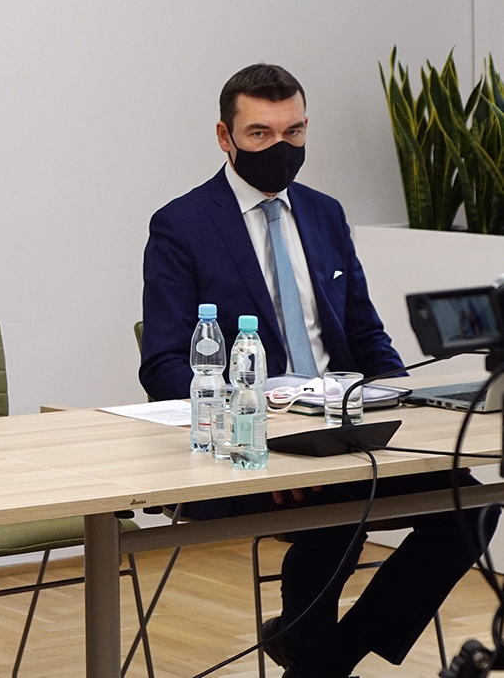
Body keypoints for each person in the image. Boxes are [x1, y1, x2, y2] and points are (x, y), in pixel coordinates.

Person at [140, 64, 497, 678]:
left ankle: (324, 659)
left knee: (473, 503)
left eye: (294, 132)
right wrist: (256, 433)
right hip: (253, 441)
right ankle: (315, 658)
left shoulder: (325, 214)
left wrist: (405, 405)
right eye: (260, 134)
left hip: (344, 428)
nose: (280, 147)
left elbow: (366, 336)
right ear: (225, 137)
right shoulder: (182, 225)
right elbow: (165, 366)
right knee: (334, 512)